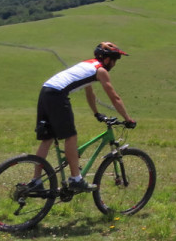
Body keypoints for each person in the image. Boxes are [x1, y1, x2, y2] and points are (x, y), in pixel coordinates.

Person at [31, 42, 136, 192]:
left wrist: (96, 113)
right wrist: (127, 118)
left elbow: (90, 93)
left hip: (46, 91)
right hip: (58, 95)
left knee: (47, 139)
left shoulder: (87, 65)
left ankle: (36, 181)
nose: (114, 64)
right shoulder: (101, 71)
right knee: (71, 136)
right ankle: (76, 179)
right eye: (115, 60)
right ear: (107, 60)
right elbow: (114, 97)